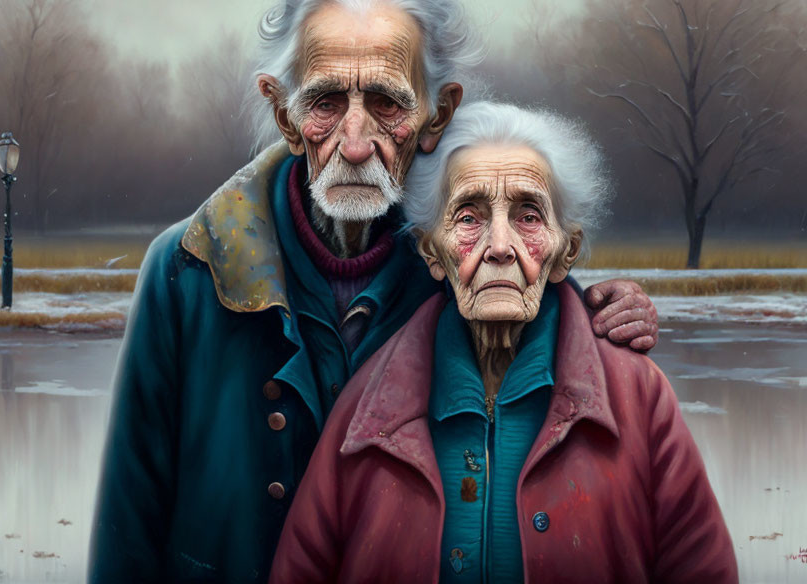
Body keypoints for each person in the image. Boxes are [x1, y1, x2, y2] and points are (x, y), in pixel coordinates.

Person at [89, 0, 660, 582]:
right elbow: (128, 530)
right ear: (284, 115)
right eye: (326, 102)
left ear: (437, 116)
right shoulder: (186, 273)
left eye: (386, 102)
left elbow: (549, 313)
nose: (355, 143)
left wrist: (603, 315)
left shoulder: (466, 260)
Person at [269, 100, 737, 584]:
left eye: (528, 216)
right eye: (468, 217)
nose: (498, 245)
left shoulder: (638, 398)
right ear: (433, 252)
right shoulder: (367, 406)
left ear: (565, 252)